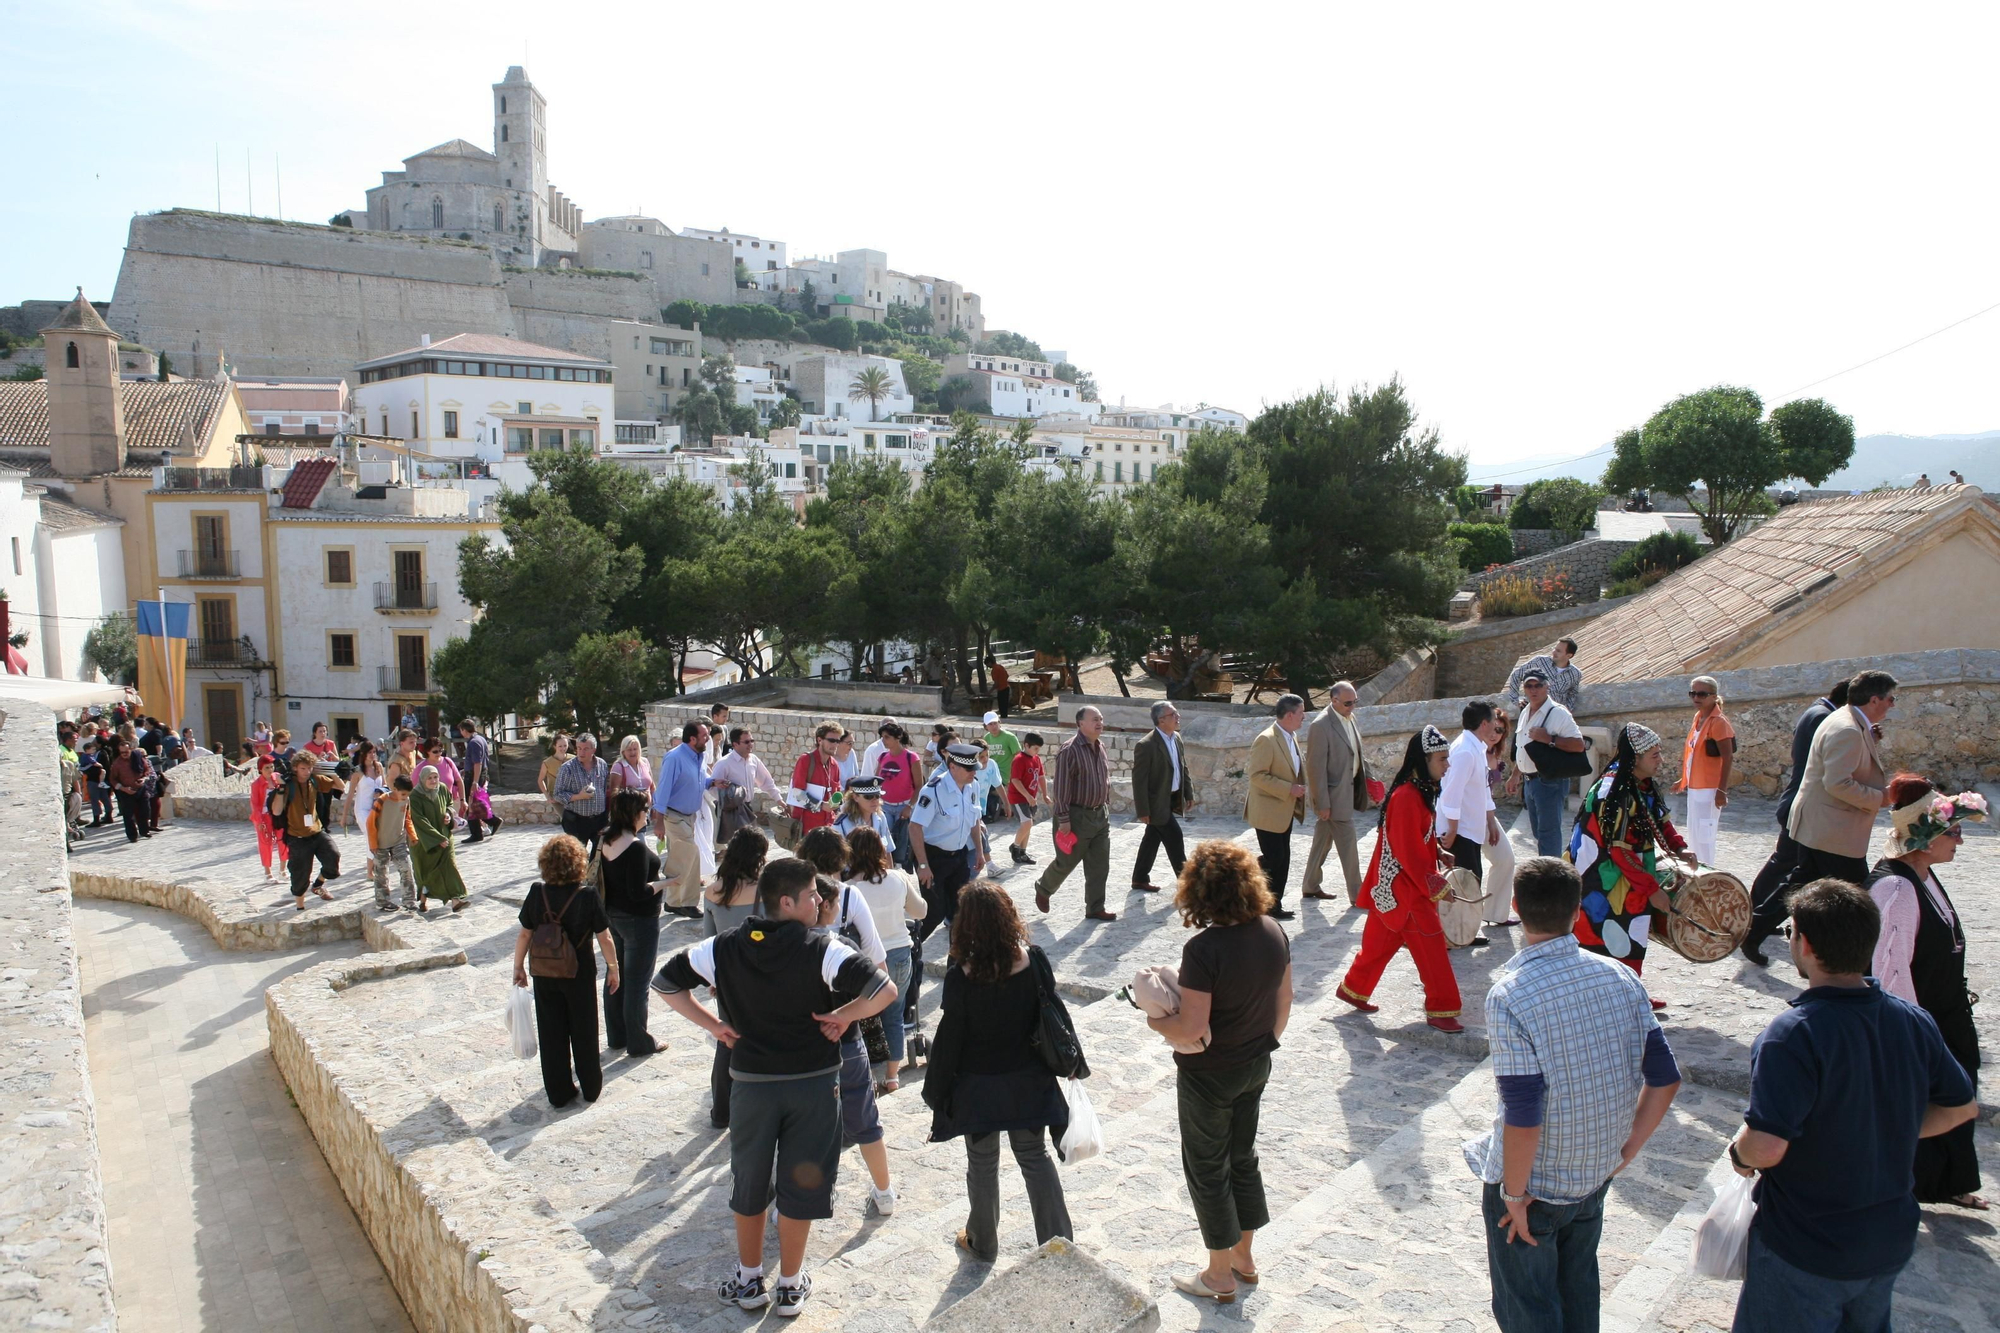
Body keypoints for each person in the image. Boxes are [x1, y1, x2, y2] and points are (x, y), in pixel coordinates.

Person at [1726, 879, 1977, 1333]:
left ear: (1804, 943)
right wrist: (1885, 1126)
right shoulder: (1913, 1019)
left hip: (1808, 1246)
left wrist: (1738, 1156)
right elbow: (1960, 1108)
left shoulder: (1793, 1035)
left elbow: (1766, 1146)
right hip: (1887, 1239)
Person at [652, 857, 898, 1318]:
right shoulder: (823, 949)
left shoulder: (723, 947)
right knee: (801, 1182)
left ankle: (748, 1280)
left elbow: (665, 984)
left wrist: (716, 1026)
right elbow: (884, 990)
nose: (821, 901)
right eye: (812, 895)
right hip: (813, 1087)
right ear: (787, 901)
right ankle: (789, 1284)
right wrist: (842, 1016)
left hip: (752, 1084)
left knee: (748, 1179)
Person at [1467, 857, 1683, 1332]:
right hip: (1594, 1175)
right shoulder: (1621, 977)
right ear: (1578, 910)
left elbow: (1523, 1112)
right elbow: (1665, 1077)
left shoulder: (1509, 996)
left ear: (1518, 907)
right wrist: (1624, 1153)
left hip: (1537, 1185)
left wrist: (1515, 1195)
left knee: (1529, 1308)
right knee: (1580, 1292)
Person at [1147, 840, 1293, 1302]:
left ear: (1198, 892)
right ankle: (1243, 1258)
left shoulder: (1203, 950)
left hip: (1208, 1075)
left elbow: (1191, 1026)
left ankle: (1218, 1275)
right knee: (1242, 1157)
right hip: (1255, 1063)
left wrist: (1155, 1020)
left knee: (1208, 1168)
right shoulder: (1273, 931)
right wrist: (1266, 1042)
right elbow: (1284, 1001)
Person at [923, 880, 1077, 1263]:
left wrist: (939, 1090)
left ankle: (983, 1242)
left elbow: (951, 1038)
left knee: (982, 1163)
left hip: (979, 1088)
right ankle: (1059, 1244)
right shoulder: (1034, 960)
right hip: (1027, 1080)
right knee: (1035, 1158)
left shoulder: (961, 975)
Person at [1866, 777, 1987, 1209]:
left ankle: (1944, 1182)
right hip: (1922, 1021)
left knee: (1955, 1093)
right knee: (1928, 1102)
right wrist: (1914, 1038)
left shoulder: (1922, 874)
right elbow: (1891, 972)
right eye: (1953, 832)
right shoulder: (1897, 889)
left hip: (1945, 1013)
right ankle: (1908, 1186)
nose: (1959, 840)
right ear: (1925, 839)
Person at [1744, 670, 1896, 965]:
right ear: (1875, 699)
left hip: (1822, 825)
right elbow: (1838, 783)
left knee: (1799, 884)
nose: (1892, 705)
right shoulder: (1848, 728)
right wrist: (1882, 798)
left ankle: (1753, 931)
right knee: (1859, 900)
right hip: (1832, 829)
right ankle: (1862, 968)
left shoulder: (1846, 720)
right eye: (1891, 699)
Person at [1338, 727, 1466, 1032]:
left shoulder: (1418, 790)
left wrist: (1436, 850)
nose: (1447, 765)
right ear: (1424, 760)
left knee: (1377, 945)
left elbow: (1411, 839)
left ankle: (1353, 988)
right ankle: (1441, 1009)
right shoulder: (1408, 796)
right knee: (1433, 952)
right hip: (1405, 891)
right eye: (1442, 759)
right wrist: (1437, 885)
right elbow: (1407, 852)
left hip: (1393, 887)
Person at [1570, 724, 1692, 1000]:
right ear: (1635, 758)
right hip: (1602, 875)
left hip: (1626, 873)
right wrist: (1652, 889)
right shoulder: (1615, 792)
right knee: (1605, 934)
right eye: (1654, 755)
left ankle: (1628, 993)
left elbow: (1659, 819)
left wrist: (1679, 848)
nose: (1660, 760)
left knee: (1631, 931)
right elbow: (1618, 850)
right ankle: (1612, 998)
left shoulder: (1641, 784)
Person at [510, 834, 619, 1108]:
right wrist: (613, 968)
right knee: (584, 1030)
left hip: (545, 972)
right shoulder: (587, 896)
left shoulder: (537, 893)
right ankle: (591, 1087)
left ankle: (558, 1092)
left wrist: (518, 967)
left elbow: (525, 934)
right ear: (578, 863)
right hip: (578, 973)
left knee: (551, 1032)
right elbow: (604, 937)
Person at [1743, 680, 1847, 965]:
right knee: (1791, 866)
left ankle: (1756, 920)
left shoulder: (1816, 711)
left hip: (1799, 803)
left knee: (1791, 865)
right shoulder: (1825, 718)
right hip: (1805, 805)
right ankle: (1755, 921)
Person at [907, 742, 987, 1041]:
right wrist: (924, 865)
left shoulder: (972, 786)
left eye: (974, 768)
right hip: (934, 858)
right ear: (952, 766)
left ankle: (955, 975)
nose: (972, 773)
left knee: (962, 916)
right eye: (968, 768)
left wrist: (978, 851)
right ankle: (910, 948)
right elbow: (916, 828)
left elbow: (974, 820)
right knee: (934, 911)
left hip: (958, 858)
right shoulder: (935, 790)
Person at [845, 826, 925, 1091]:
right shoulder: (898, 878)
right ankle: (892, 1076)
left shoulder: (849, 889)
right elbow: (921, 911)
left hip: (865, 960)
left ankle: (861, 1069)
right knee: (895, 1014)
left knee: (856, 1013)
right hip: (900, 953)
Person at [700, 827, 770, 1126]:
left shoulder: (713, 891)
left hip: (727, 975)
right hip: (762, 976)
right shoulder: (766, 890)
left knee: (726, 1041)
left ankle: (722, 1111)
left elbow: (709, 941)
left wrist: (714, 979)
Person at [598, 788, 665, 1058]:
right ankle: (639, 1041)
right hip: (639, 921)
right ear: (633, 813)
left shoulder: (605, 838)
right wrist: (666, 883)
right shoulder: (635, 847)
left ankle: (617, 1036)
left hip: (613, 916)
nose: (647, 814)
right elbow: (638, 892)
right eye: (644, 809)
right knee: (637, 983)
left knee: (615, 976)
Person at [1034, 707, 1116, 922]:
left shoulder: (1101, 747)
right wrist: (1063, 819)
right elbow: (1061, 788)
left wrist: (1105, 804)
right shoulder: (1069, 750)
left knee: (1100, 865)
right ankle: (1044, 888)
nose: (1100, 723)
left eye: (1101, 718)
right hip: (1076, 816)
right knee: (1066, 862)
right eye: (1094, 719)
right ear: (1080, 723)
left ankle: (1095, 907)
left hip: (1100, 815)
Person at [1302, 681, 1374, 905]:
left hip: (1346, 793)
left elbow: (1357, 753)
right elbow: (1315, 769)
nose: (1352, 707)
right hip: (1333, 799)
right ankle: (1358, 895)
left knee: (1322, 840)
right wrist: (1322, 803)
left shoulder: (1350, 718)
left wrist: (1369, 778)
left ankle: (1310, 885)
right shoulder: (1320, 726)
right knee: (1349, 846)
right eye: (1348, 703)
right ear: (1333, 701)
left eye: (1355, 702)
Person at [1243, 694, 1309, 921]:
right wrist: (1288, 788)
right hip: (1268, 811)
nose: (1304, 717)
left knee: (1283, 858)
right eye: (1301, 712)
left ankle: (1274, 904)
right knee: (1275, 858)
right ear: (1290, 715)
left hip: (1285, 810)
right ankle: (1246, 879)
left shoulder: (1291, 736)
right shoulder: (1267, 739)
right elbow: (1257, 775)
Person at [1509, 670, 1586, 858]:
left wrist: (1549, 739)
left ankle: (1552, 879)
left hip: (1549, 781)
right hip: (1530, 781)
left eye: (1538, 685)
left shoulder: (1558, 713)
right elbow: (1523, 747)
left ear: (1547, 686)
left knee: (1548, 834)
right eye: (1529, 686)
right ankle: (1548, 871)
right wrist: (1515, 774)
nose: (1533, 690)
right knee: (1538, 833)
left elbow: (1579, 745)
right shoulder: (1525, 711)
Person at [1438, 702, 1505, 912]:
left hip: (1470, 828)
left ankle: (1466, 930)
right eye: (1493, 722)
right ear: (1484, 724)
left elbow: (1482, 789)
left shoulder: (1475, 748)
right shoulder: (1465, 752)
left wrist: (1490, 822)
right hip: (1461, 830)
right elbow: (1451, 793)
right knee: (1464, 883)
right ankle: (1459, 932)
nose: (1496, 726)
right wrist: (1453, 829)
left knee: (1471, 880)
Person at [1131, 700, 1192, 894]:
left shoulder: (1177, 739)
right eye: (1173, 715)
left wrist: (1188, 792)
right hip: (1156, 803)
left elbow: (1183, 767)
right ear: (1161, 720)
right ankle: (1188, 886)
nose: (1178, 717)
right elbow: (1139, 781)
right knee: (1175, 838)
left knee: (1152, 838)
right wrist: (1143, 810)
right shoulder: (1146, 745)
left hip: (1172, 798)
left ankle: (1140, 878)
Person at [270, 752, 344, 910]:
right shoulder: (289, 784)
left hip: (316, 831)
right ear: (295, 767)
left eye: (309, 768)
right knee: (300, 873)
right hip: (297, 836)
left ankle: (318, 885)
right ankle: (300, 907)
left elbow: (340, 787)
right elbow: (276, 811)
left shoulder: (315, 780)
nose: (306, 771)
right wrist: (281, 787)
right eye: (303, 768)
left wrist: (328, 770)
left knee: (333, 856)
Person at [652, 721, 710, 918]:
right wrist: (659, 822)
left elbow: (696, 780)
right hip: (673, 816)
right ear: (692, 739)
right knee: (688, 854)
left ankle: (681, 902)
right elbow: (663, 789)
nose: (708, 738)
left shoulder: (698, 756)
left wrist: (712, 782)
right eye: (704, 735)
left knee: (687, 858)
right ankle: (676, 901)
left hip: (690, 817)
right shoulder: (674, 758)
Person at [1676, 675, 1735, 866]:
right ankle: (1697, 869)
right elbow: (1694, 752)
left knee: (1705, 835)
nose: (1696, 698)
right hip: (1695, 786)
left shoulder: (1718, 722)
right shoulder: (1699, 718)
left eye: (1701, 694)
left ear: (1713, 696)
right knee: (1694, 832)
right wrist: (1683, 778)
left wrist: (1721, 790)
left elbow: (1728, 757)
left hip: (1709, 789)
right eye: (1692, 693)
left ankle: (1706, 869)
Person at [409, 763, 469, 912]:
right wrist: (436, 839)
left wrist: (448, 814)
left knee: (450, 866)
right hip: (424, 842)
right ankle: (423, 900)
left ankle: (456, 900)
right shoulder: (415, 796)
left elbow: (448, 803)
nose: (433, 781)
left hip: (445, 835)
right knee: (427, 872)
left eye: (435, 777)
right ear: (422, 779)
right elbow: (419, 820)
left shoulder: (442, 789)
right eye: (429, 778)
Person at [1479, 709, 1518, 933]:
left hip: (1487, 814)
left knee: (1505, 859)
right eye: (1493, 728)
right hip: (1473, 816)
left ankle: (1495, 913)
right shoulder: (1473, 752)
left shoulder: (1494, 753)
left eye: (1500, 730)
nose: (1495, 734)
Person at [366, 775, 420, 911]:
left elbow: (407, 819)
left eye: (408, 794)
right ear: (394, 789)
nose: (405, 796)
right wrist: (373, 844)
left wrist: (413, 835)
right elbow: (370, 822)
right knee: (381, 873)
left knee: (406, 868)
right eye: (403, 794)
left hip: (399, 841)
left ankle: (409, 900)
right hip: (381, 843)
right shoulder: (382, 800)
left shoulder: (406, 800)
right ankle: (382, 901)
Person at [871, 724, 922, 867]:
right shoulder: (882, 757)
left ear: (898, 737)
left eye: (887, 737)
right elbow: (876, 782)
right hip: (885, 806)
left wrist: (910, 806)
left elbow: (919, 786)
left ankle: (899, 870)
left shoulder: (911, 757)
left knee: (902, 844)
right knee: (884, 840)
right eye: (882, 737)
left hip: (903, 807)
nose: (884, 741)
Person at [553, 733, 611, 854]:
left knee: (600, 856)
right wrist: (579, 796)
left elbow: (605, 788)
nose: (581, 752)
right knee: (577, 857)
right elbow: (558, 794)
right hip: (577, 822)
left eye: (585, 749)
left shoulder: (602, 765)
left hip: (599, 820)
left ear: (593, 750)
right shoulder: (567, 768)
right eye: (579, 748)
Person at [788, 723, 845, 837]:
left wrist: (838, 802)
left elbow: (836, 793)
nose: (835, 745)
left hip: (829, 828)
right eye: (831, 740)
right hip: (806, 829)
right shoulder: (806, 760)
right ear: (820, 740)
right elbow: (797, 794)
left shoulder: (834, 765)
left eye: (838, 741)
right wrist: (822, 806)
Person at [1506, 637, 1583, 711]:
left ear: (1569, 655)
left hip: (1555, 714)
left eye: (1558, 651)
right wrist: (1515, 699)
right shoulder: (1539, 661)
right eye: (1554, 649)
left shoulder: (1575, 674)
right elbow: (1516, 675)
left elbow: (1573, 694)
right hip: (1531, 710)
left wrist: (1567, 710)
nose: (1554, 652)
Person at [458, 719, 504, 842]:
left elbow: (477, 763)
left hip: (474, 776)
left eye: (461, 730)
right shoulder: (481, 739)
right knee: (476, 804)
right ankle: (491, 822)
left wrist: (474, 781)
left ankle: (479, 831)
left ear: (464, 730)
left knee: (471, 804)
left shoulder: (473, 742)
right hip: (478, 774)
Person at [106, 735, 157, 842]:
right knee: (128, 815)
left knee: (145, 810)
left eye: (126, 752)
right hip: (126, 791)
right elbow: (113, 780)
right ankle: (132, 836)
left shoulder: (138, 758)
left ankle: (144, 830)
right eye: (122, 752)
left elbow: (146, 770)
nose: (124, 754)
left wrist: (144, 779)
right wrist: (123, 789)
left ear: (130, 750)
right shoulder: (117, 764)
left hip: (140, 788)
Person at [1007, 733, 1045, 866]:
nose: (1037, 751)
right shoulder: (1019, 759)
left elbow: (1041, 777)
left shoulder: (1037, 759)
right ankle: (1015, 847)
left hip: (1030, 798)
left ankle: (1022, 852)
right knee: (1027, 823)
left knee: (1028, 825)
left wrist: (1044, 794)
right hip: (1018, 798)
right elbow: (1015, 780)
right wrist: (1027, 796)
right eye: (1035, 748)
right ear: (1026, 745)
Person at [248, 754, 288, 878]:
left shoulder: (277, 778)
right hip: (264, 816)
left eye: (271, 767)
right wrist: (259, 822)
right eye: (267, 768)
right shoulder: (256, 784)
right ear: (260, 769)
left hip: (278, 814)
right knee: (266, 843)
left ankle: (283, 869)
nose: (270, 770)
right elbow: (255, 804)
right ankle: (268, 872)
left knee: (283, 840)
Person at [981, 711, 1020, 821]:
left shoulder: (1010, 737)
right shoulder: (987, 738)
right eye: (990, 724)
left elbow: (1018, 757)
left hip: (1004, 774)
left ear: (999, 723)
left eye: (995, 723)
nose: (993, 726)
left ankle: (991, 813)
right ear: (986, 726)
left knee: (988, 787)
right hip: (990, 772)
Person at [834, 775, 894, 843]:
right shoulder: (842, 823)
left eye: (877, 796)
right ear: (856, 797)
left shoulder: (881, 816)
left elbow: (888, 850)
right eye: (868, 797)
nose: (874, 801)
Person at [607, 733, 654, 804]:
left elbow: (652, 786)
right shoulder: (618, 766)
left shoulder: (645, 762)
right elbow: (614, 794)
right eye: (629, 750)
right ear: (623, 752)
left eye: (635, 749)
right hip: (629, 811)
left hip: (648, 809)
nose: (633, 752)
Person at [537, 733, 571, 807]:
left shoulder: (573, 759)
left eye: (565, 745)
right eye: (560, 746)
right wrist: (547, 796)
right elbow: (540, 780)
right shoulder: (547, 763)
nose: (563, 748)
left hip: (572, 795)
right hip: (555, 796)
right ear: (554, 746)